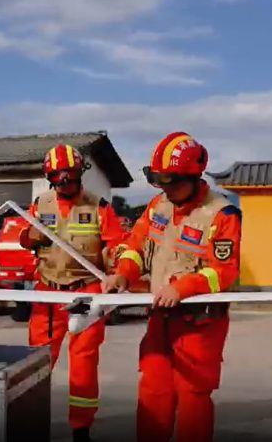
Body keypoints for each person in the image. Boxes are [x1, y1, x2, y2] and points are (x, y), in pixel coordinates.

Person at [102, 132, 241, 442]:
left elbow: (224, 272)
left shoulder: (222, 214)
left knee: (193, 396)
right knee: (153, 389)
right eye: (161, 182)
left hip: (200, 324)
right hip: (160, 318)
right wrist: (123, 273)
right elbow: (136, 246)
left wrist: (183, 287)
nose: (166, 189)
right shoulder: (158, 205)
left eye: (173, 182)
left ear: (195, 176)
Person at [20, 144, 128, 442]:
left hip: (85, 293)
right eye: (59, 176)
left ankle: (81, 428)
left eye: (71, 175)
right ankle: (29, 420)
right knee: (36, 363)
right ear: (50, 177)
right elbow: (24, 238)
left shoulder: (100, 207)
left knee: (83, 363)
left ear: (81, 173)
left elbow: (116, 245)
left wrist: (118, 271)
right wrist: (29, 237)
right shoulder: (39, 204)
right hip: (48, 291)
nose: (65, 181)